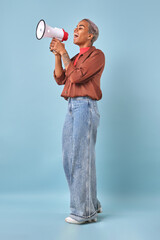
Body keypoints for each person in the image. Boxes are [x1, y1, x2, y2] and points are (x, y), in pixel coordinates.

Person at [50, 18, 105, 224]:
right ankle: (92, 203)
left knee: (81, 159)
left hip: (86, 107)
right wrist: (58, 56)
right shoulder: (75, 57)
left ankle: (83, 212)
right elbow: (60, 78)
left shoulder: (97, 55)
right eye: (75, 27)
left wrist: (64, 53)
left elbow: (77, 78)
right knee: (70, 159)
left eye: (80, 28)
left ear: (90, 35)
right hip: (72, 106)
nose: (75, 30)